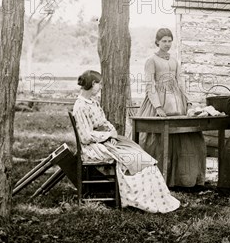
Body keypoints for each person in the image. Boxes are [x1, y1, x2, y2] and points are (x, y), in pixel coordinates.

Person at [72, 70, 180, 213]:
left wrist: (112, 132)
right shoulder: (80, 106)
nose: (101, 87)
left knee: (142, 156)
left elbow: (104, 121)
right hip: (94, 146)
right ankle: (139, 199)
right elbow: (85, 136)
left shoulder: (93, 102)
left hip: (106, 141)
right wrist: (107, 136)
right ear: (93, 84)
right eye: (100, 84)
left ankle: (156, 197)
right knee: (135, 160)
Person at [138, 28, 206, 188]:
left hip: (176, 99)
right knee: (157, 139)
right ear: (157, 42)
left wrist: (188, 101)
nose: (167, 44)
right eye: (164, 41)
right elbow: (149, 85)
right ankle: (156, 178)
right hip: (158, 99)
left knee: (182, 136)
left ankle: (178, 178)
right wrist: (158, 107)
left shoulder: (175, 61)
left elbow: (181, 83)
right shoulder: (151, 61)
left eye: (169, 41)